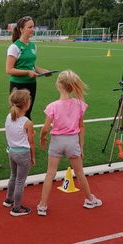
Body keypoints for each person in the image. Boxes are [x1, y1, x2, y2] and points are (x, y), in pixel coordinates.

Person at [37, 70, 103, 216]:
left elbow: (46, 128)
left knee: (50, 173)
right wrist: (81, 146)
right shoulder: (80, 104)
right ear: (73, 87)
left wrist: (42, 137)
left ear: (58, 85)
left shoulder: (52, 106)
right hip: (73, 142)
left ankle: (42, 205)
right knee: (79, 173)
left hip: (56, 142)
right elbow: (81, 127)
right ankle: (89, 199)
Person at [6, 16, 52, 119]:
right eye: (30, 27)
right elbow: (9, 70)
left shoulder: (33, 46)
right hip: (18, 85)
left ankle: (27, 134)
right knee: (17, 114)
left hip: (31, 84)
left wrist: (43, 71)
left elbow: (32, 66)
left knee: (27, 112)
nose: (33, 29)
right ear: (21, 29)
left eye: (33, 27)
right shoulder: (14, 47)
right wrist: (27, 73)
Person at [3, 89, 35, 216]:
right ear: (27, 104)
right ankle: (16, 208)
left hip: (12, 152)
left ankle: (8, 199)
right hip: (23, 154)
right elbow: (31, 142)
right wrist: (33, 156)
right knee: (20, 181)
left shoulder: (9, 117)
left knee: (13, 176)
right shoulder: (27, 122)